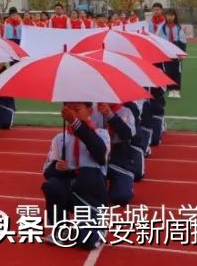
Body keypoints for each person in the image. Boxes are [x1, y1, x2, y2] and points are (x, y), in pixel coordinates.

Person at [41, 102, 109, 250]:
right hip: (70, 190)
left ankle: (98, 223)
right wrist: (58, 168)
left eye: (77, 110)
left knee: (86, 242)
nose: (72, 114)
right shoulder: (60, 138)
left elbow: (100, 155)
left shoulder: (101, 134)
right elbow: (47, 171)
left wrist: (76, 123)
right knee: (51, 185)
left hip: (90, 193)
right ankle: (61, 228)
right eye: (69, 110)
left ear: (90, 111)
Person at [93, 103, 136, 206]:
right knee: (97, 198)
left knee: (120, 197)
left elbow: (127, 135)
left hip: (118, 159)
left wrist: (110, 115)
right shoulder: (92, 111)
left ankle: (126, 183)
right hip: (97, 159)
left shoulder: (125, 111)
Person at [157, 8, 186, 98]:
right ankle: (170, 89)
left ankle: (176, 90)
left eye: (172, 15)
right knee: (167, 71)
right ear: (165, 16)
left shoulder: (178, 28)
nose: (170, 17)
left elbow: (183, 41)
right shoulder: (162, 27)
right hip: (166, 52)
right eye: (168, 15)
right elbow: (159, 40)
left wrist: (181, 53)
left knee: (177, 71)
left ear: (175, 16)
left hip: (176, 52)